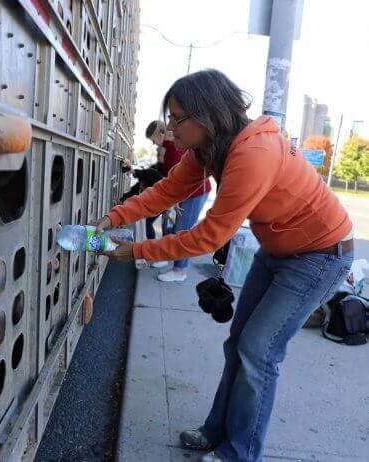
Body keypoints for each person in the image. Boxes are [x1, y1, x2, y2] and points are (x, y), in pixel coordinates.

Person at [95, 69, 353, 462]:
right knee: (238, 344)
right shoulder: (208, 149)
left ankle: (240, 453)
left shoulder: (254, 154)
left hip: (320, 254)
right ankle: (216, 431)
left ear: (206, 114)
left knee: (258, 350)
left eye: (178, 119)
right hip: (278, 249)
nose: (172, 130)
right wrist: (114, 218)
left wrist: (137, 251)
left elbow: (209, 236)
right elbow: (166, 190)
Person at [146, 120, 212, 280]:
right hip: (186, 191)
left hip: (196, 192)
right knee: (169, 226)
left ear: (160, 134)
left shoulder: (172, 150)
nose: (154, 143)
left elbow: (180, 179)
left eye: (153, 139)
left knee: (183, 231)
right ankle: (166, 257)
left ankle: (179, 271)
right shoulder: (168, 148)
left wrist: (174, 201)